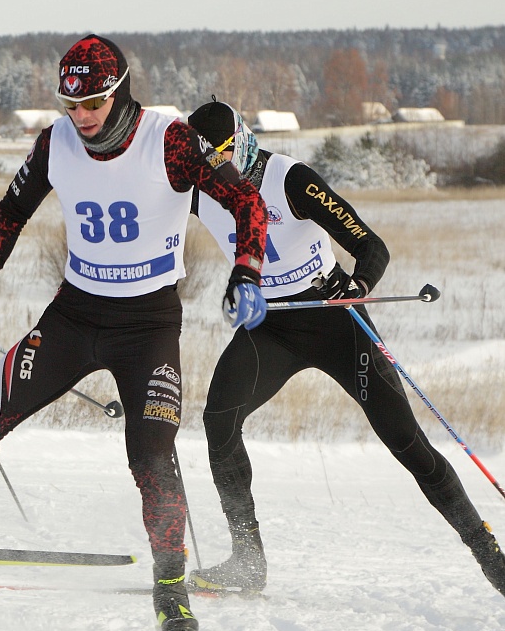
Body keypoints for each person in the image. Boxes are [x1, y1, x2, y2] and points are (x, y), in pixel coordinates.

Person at [0, 35, 269, 631]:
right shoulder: (56, 142)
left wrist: (247, 270)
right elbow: (8, 216)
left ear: (120, 91)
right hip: (75, 316)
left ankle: (171, 579)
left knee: (151, 456)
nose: (81, 117)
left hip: (149, 326)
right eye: (70, 104)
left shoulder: (167, 139)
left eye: (94, 103)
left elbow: (246, 200)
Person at [184, 100, 505, 597]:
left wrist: (357, 285)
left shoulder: (289, 179)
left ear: (242, 139)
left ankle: (488, 553)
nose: (218, 171)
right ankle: (248, 560)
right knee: (219, 420)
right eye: (208, 164)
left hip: (335, 317)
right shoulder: (197, 189)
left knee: (406, 441)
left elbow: (372, 246)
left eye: (224, 156)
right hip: (271, 325)